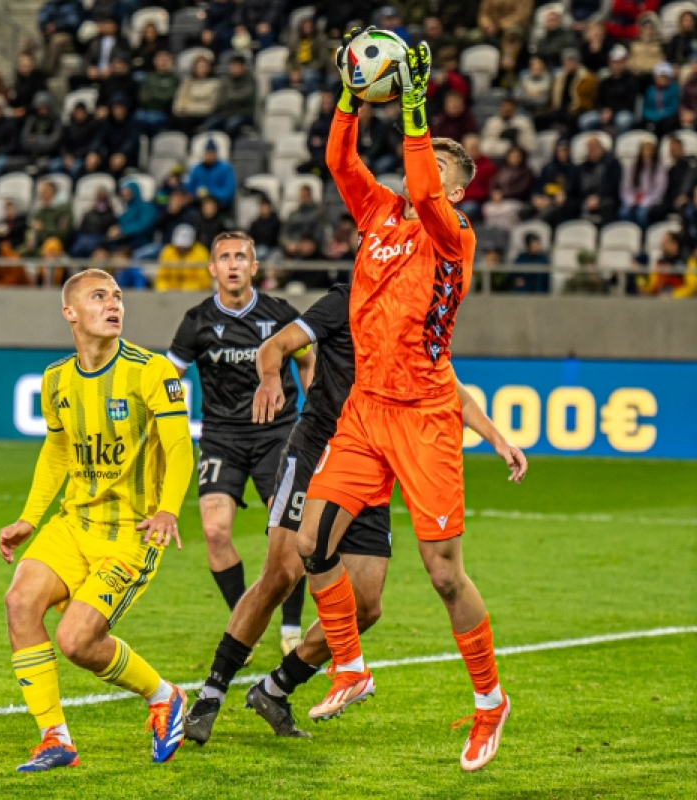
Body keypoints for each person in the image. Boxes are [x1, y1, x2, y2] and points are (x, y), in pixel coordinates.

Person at [294, 33, 510, 772]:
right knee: (310, 542)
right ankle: (349, 668)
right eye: (428, 153)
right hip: (365, 408)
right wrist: (353, 101)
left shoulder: (453, 235)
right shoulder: (380, 215)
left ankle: (489, 702)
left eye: (445, 166)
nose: (429, 170)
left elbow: (421, 188)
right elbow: (338, 163)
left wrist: (415, 110)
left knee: (444, 572)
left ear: (457, 188)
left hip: (423, 415)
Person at [184, 283, 527, 745]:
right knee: (283, 571)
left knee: (365, 606)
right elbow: (276, 346)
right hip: (316, 452)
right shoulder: (347, 298)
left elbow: (449, 386)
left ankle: (276, 688)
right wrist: (270, 377)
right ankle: (211, 693)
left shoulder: (417, 306)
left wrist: (496, 437)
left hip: (374, 462)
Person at [0, 268, 193, 771]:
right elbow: (58, 450)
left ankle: (164, 695)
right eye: (99, 296)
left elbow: (178, 446)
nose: (114, 304)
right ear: (71, 313)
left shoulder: (151, 372)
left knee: (76, 641)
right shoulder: (56, 379)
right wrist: (28, 518)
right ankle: (54, 738)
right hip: (72, 525)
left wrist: (168, 507)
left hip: (130, 532)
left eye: (118, 296)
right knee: (20, 602)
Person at [166, 231, 314, 646]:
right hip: (221, 438)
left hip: (278, 435)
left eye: (240, 257)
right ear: (212, 269)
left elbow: (306, 360)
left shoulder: (280, 313)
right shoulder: (197, 321)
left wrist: (314, 412)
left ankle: (289, 627)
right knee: (214, 531)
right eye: (224, 258)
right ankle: (243, 622)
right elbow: (169, 375)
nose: (232, 264)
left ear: (254, 267)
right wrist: (163, 413)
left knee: (286, 531)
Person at [620, 140, 666, 230]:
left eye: (649, 150)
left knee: (642, 213)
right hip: (633, 198)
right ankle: (630, 233)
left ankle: (643, 235)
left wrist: (646, 201)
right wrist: (630, 200)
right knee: (623, 212)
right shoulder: (632, 166)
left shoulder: (659, 168)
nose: (647, 152)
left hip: (650, 200)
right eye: (644, 150)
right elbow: (625, 187)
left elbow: (660, 189)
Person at [154, 223, 212, 290]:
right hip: (169, 293)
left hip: (193, 294)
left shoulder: (200, 253)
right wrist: (166, 289)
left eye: (184, 246)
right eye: (178, 246)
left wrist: (183, 290)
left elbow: (204, 283)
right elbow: (160, 278)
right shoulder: (167, 252)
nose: (181, 248)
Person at [186, 138, 236, 211]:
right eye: (207, 153)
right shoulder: (197, 169)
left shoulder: (225, 168)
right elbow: (189, 188)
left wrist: (210, 193)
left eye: (212, 153)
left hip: (219, 204)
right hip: (198, 203)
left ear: (216, 154)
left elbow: (229, 191)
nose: (209, 156)